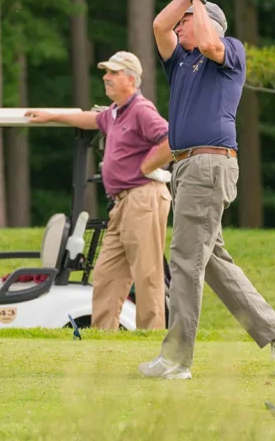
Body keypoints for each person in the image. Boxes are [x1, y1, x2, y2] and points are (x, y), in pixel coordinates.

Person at [136, 0, 275, 380]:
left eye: (188, 20)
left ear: (207, 22)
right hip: (188, 167)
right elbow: (159, 25)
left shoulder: (229, 50)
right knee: (209, 260)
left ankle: (176, 360)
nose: (180, 25)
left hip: (208, 165)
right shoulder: (180, 63)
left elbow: (210, 42)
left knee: (185, 261)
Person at [26, 51, 171, 330]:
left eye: (113, 73)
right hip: (122, 203)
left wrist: (146, 165)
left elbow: (170, 139)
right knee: (106, 274)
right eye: (106, 72)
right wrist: (51, 116)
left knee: (147, 274)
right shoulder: (114, 113)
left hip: (143, 197)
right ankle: (103, 339)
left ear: (131, 79)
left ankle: (151, 340)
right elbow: (89, 120)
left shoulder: (141, 110)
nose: (106, 77)